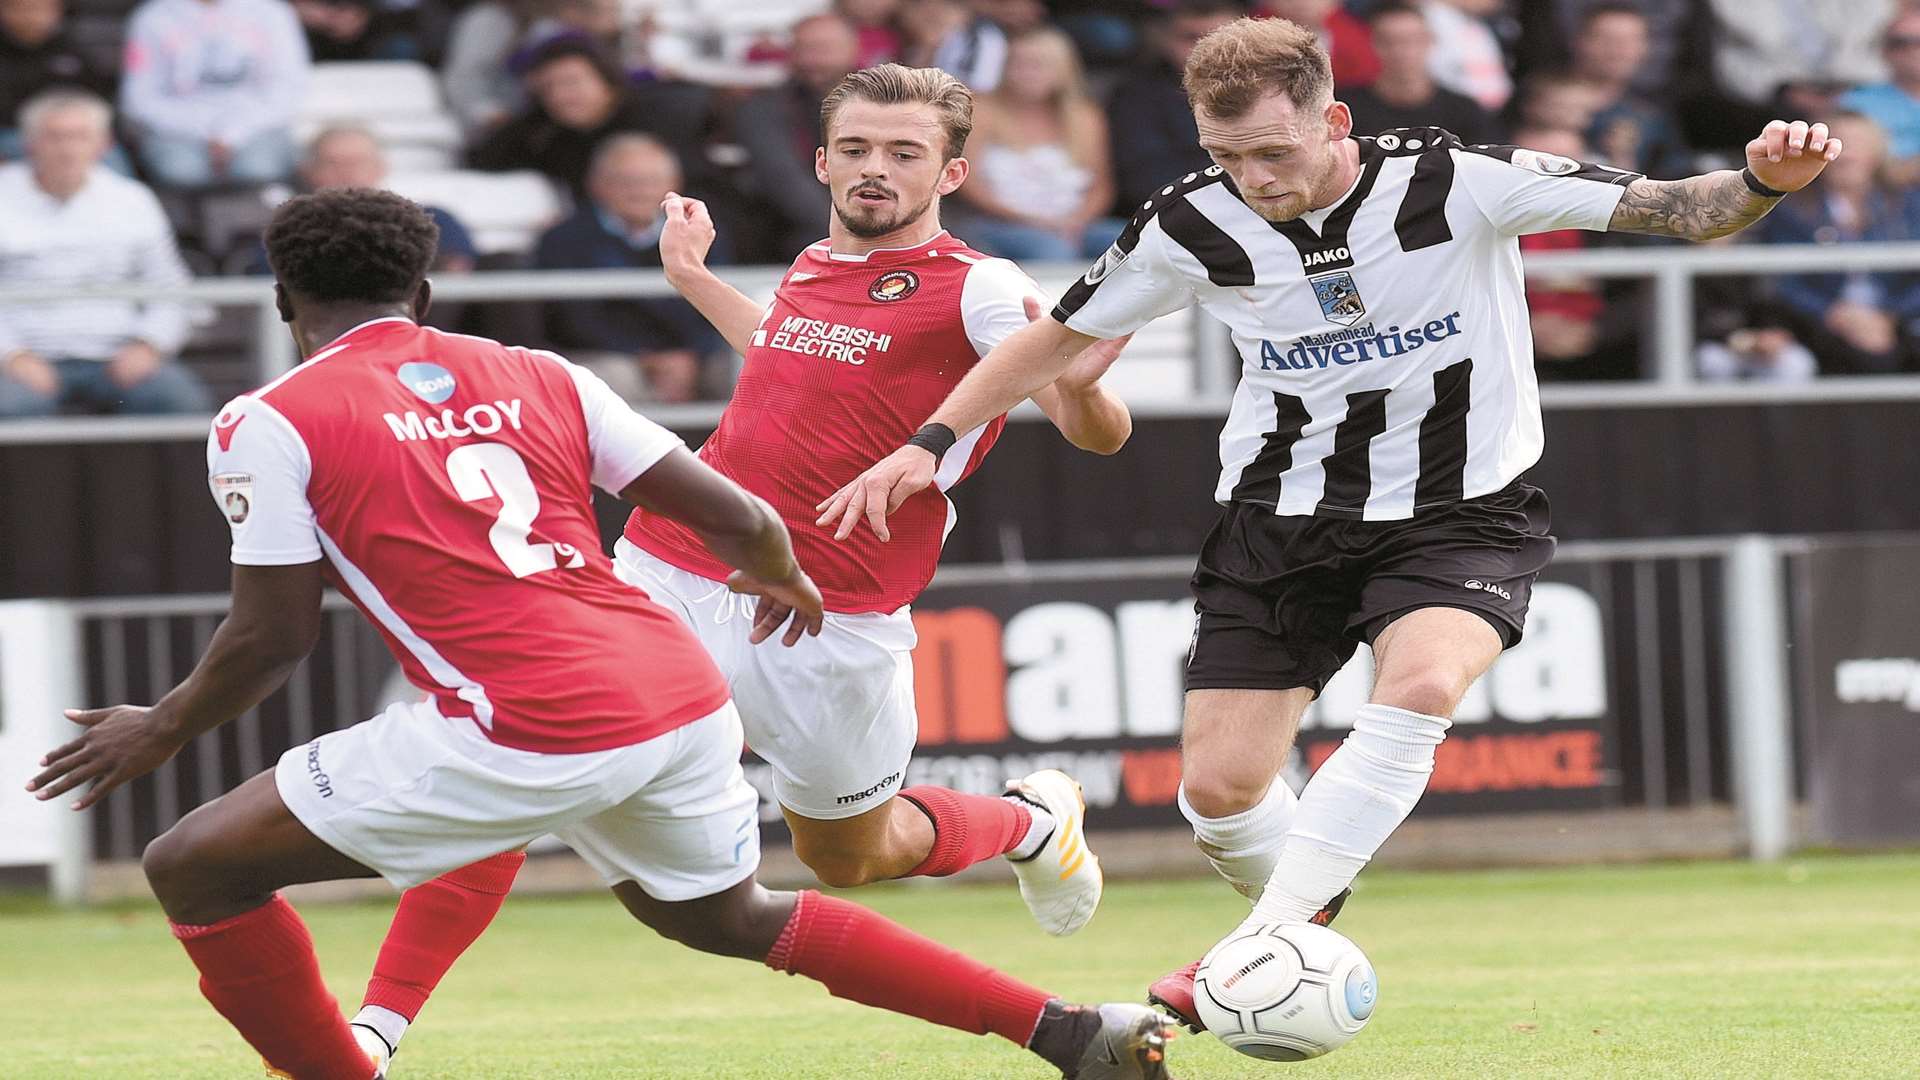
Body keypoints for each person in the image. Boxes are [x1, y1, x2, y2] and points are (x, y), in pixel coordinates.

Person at [823, 16, 1845, 1033]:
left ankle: (1246, 951)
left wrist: (1761, 181)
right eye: (1227, 155)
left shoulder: (1460, 181)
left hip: (1461, 512)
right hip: (1281, 521)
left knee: (1424, 685)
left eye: (1275, 151)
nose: (1255, 177)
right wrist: (929, 441)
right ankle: (1300, 914)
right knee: (1221, 794)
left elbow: (1679, 210)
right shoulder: (1190, 223)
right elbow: (1052, 340)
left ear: (1334, 120)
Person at [24, 185, 1178, 1080]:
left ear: (282, 302)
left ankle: (348, 1058)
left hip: (533, 716)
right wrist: (780, 576)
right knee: (731, 916)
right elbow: (731, 511)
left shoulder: (265, 419)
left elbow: (271, 637)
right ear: (422, 289)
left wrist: (159, 727)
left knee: (190, 866)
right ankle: (1068, 1031)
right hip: (675, 687)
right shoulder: (543, 374)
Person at [326, 63, 1143, 1068]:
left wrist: (1087, 389)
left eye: (903, 153)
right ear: (821, 159)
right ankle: (375, 1029)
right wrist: (697, 282)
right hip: (669, 573)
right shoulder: (810, 263)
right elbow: (793, 356)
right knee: (533, 756)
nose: (875, 170)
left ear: (953, 171)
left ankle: (1026, 824)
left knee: (852, 857)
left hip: (830, 619)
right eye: (855, 149)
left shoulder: (979, 286)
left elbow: (1085, 425)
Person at [0, 89, 207, 417]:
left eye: (80, 137)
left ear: (103, 144)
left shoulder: (132, 200)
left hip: (119, 354)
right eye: (55, 137)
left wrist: (149, 345)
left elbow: (170, 285)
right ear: (29, 144)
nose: (67, 149)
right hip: (20, 359)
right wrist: (11, 355)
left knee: (181, 402)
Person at [534, 134, 720, 402]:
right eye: (626, 182)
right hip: (608, 354)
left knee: (742, 366)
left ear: (674, 185)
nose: (640, 191)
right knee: (615, 377)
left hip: (690, 353)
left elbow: (717, 299)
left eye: (651, 182)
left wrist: (691, 354)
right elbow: (572, 319)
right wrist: (645, 356)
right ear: (596, 184)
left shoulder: (701, 229)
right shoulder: (564, 239)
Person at [1757, 113, 1920, 374]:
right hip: (1818, 324)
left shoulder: (1907, 204)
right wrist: (1833, 314)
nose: (1848, 152)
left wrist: (1890, 316)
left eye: (1857, 142)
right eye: (1839, 142)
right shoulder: (1791, 208)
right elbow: (1782, 280)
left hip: (1896, 320)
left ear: (1877, 151)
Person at [955, 26, 1121, 261]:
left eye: (1038, 64)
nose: (1025, 72)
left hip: (1074, 223)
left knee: (1133, 242)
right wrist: (1034, 221)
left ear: (1063, 69)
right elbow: (968, 182)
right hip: (999, 222)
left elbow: (1101, 186)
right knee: (1053, 251)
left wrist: (1075, 222)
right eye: (1016, 63)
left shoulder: (1085, 117)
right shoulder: (981, 110)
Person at [468, 36, 706, 199]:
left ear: (608, 83)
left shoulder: (659, 118)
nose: (559, 96)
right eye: (547, 88)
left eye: (571, 82)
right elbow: (485, 158)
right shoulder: (547, 135)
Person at [119, 0, 310, 189]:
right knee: (182, 171)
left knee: (258, 169)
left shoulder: (272, 12)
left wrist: (232, 133)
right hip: (178, 131)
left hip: (257, 128)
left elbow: (288, 89)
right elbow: (138, 98)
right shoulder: (153, 16)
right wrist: (205, 131)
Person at [246, 126, 477, 275]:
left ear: (380, 168)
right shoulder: (285, 231)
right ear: (309, 171)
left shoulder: (434, 220)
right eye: (334, 163)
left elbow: (462, 269)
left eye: (358, 162)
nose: (347, 173)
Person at [733, 14, 860, 260]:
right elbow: (785, 182)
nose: (813, 61)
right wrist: (855, 230)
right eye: (803, 49)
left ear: (854, 50)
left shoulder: (884, 106)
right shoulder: (763, 108)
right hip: (798, 236)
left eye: (824, 49)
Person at [1106, 0, 1240, 211]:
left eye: (1221, 37)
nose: (1206, 48)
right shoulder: (1135, 94)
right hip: (1173, 217)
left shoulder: (1274, 92)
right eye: (1191, 37)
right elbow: (1144, 181)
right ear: (1167, 41)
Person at [1340, 1, 1493, 145]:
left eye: (1411, 40)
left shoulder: (1464, 111)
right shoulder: (1347, 108)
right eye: (1388, 41)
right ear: (1373, 44)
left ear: (1429, 41)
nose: (1400, 52)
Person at [1568, 2, 1688, 178]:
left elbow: (1677, 176)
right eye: (1607, 39)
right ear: (1579, 41)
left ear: (1645, 47)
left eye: (1630, 41)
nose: (1618, 50)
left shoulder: (1651, 116)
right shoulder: (1538, 100)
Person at [0, 0, 117, 160]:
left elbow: (98, 96)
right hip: (14, 133)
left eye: (39, 8)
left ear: (58, 10)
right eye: (21, 8)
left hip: (74, 128)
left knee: (111, 158)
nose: (30, 17)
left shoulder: (75, 49)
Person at [1840, 11, 1920, 188]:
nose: (1914, 50)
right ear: (1884, 50)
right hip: (1889, 204)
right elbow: (1852, 169)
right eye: (1900, 43)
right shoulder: (1857, 103)